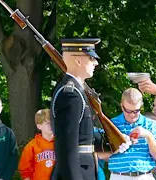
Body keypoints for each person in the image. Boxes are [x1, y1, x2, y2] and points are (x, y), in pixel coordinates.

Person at [50, 38, 104, 180]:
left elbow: (84, 137)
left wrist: (115, 141)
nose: (96, 63)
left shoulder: (78, 92)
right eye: (91, 58)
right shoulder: (70, 94)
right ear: (78, 61)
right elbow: (67, 148)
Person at [107, 88, 156, 180]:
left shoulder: (151, 124)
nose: (132, 115)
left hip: (144, 175)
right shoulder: (112, 124)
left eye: (136, 111)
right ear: (122, 106)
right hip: (119, 176)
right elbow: (102, 153)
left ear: (141, 107)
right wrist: (119, 143)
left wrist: (148, 135)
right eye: (128, 111)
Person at [18, 109, 55, 180]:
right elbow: (25, 170)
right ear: (39, 126)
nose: (51, 125)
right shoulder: (32, 145)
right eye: (47, 123)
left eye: (52, 123)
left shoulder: (60, 144)